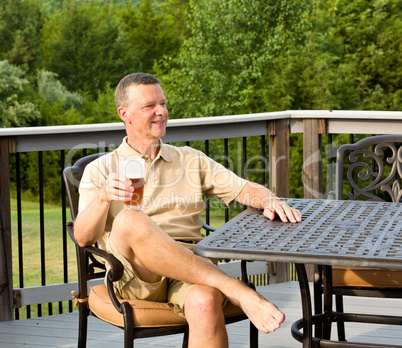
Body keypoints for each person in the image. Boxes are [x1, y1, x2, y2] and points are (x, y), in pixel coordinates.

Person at [74, 72, 301, 348]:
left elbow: (244, 188)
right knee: (130, 219)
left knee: (205, 302)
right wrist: (103, 198)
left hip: (191, 268)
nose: (161, 112)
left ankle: (225, 288)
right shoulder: (101, 170)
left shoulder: (190, 159)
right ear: (125, 114)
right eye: (150, 106)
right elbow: (83, 237)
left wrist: (268, 200)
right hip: (137, 275)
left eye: (163, 103)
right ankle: (237, 289)